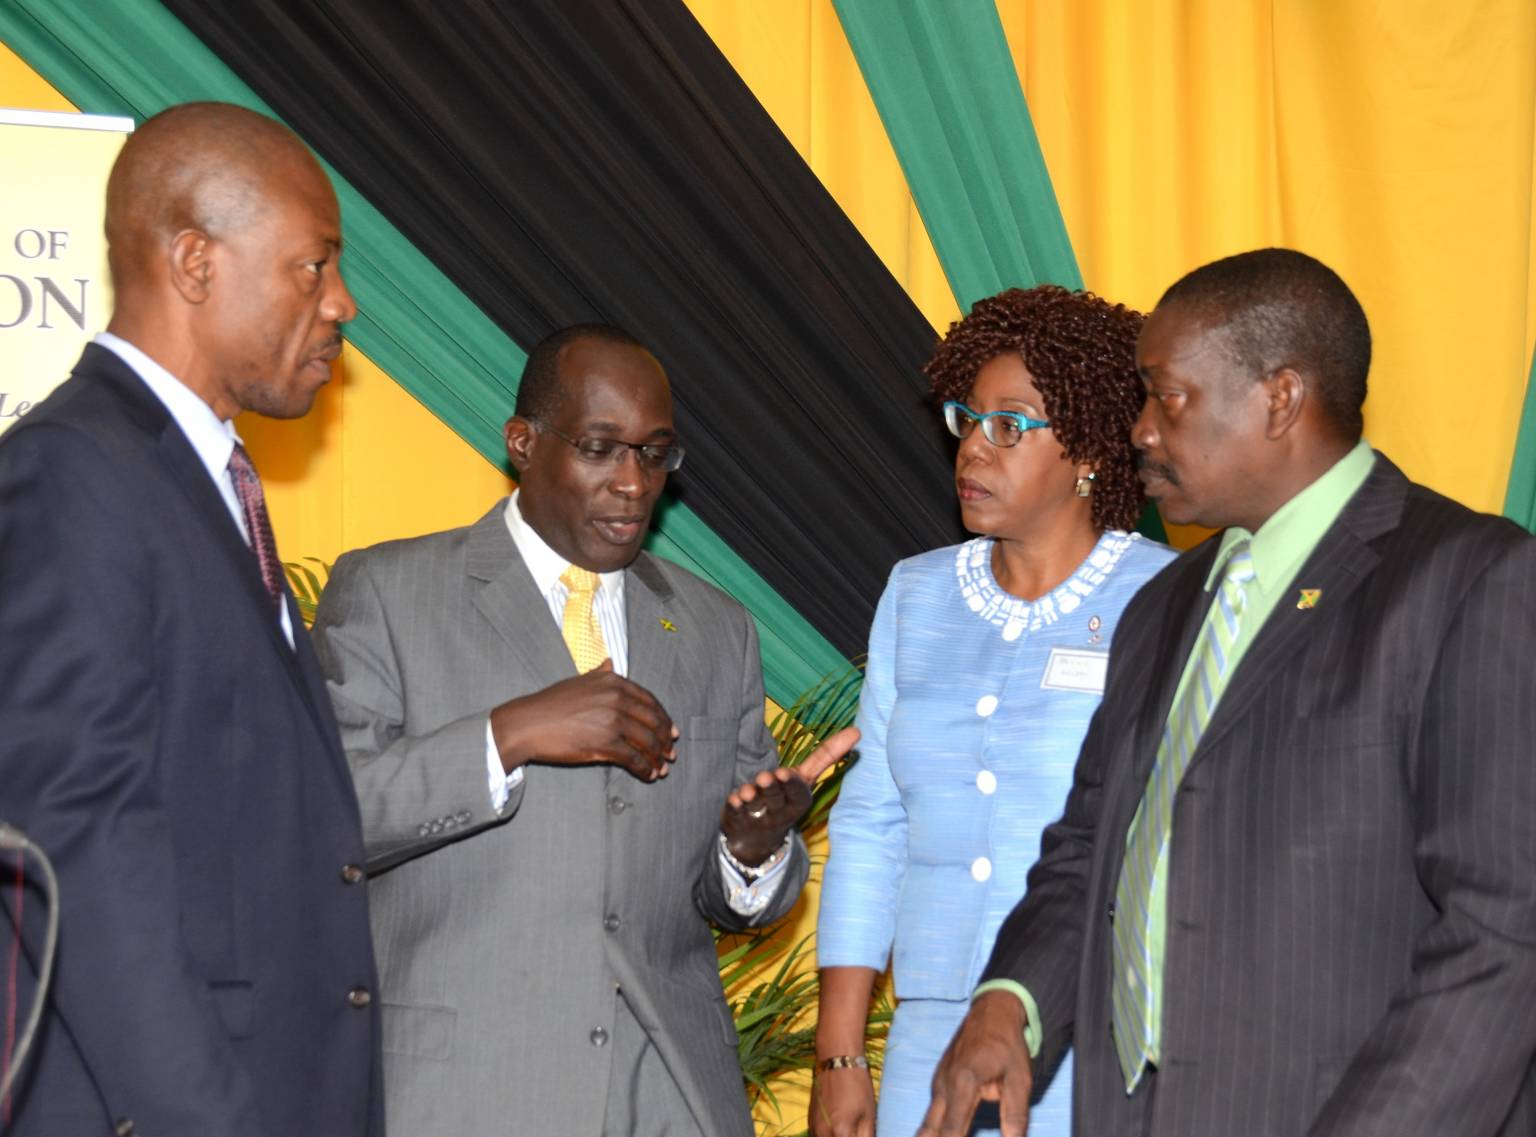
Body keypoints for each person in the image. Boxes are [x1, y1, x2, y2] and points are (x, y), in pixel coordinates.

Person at [918, 248, 1536, 1137]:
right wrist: (1009, 1004)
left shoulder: (1467, 580)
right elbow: (1091, 850)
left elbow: (1505, 928)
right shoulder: (1165, 603)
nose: (1138, 429)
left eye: (1166, 396)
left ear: (1279, 398)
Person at [310, 322, 857, 1137]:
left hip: (668, 1096)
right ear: (523, 442)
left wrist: (751, 854)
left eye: (655, 453)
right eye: (601, 449)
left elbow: (734, 902)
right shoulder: (389, 592)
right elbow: (326, 817)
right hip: (464, 1095)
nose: (633, 483)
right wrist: (507, 734)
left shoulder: (717, 629)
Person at [0, 103, 382, 1137]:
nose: (341, 302)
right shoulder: (72, 472)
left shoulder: (208, 482)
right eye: (314, 265)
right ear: (196, 262)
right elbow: (76, 834)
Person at [812, 285, 1175, 1137]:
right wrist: (840, 1054)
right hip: (928, 1039)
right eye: (967, 419)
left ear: (1089, 451)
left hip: (1093, 1034)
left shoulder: (1164, 597)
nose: (974, 446)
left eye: (1010, 426)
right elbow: (872, 824)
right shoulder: (916, 593)